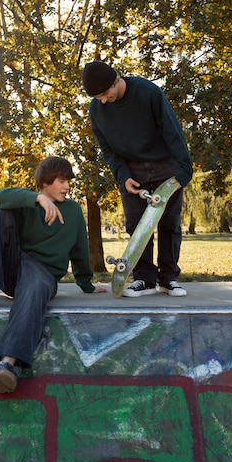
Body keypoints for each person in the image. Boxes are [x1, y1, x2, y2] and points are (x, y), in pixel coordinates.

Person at [0, 156, 107, 393]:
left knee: (34, 284)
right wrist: (37, 199)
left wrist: (86, 283)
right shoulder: (27, 202)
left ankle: (7, 364)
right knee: (0, 212)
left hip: (42, 274)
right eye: (61, 181)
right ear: (44, 182)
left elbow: (80, 250)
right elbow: (0, 196)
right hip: (14, 267)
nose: (67, 186)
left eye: (68, 181)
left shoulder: (73, 211)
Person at [82, 60, 192, 298]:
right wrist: (123, 177)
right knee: (137, 225)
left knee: (168, 224)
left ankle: (168, 278)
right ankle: (144, 279)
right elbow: (108, 150)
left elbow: (172, 131)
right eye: (97, 97)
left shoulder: (148, 92)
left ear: (116, 80)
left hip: (165, 166)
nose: (102, 100)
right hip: (132, 171)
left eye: (104, 93)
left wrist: (184, 170)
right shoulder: (97, 109)